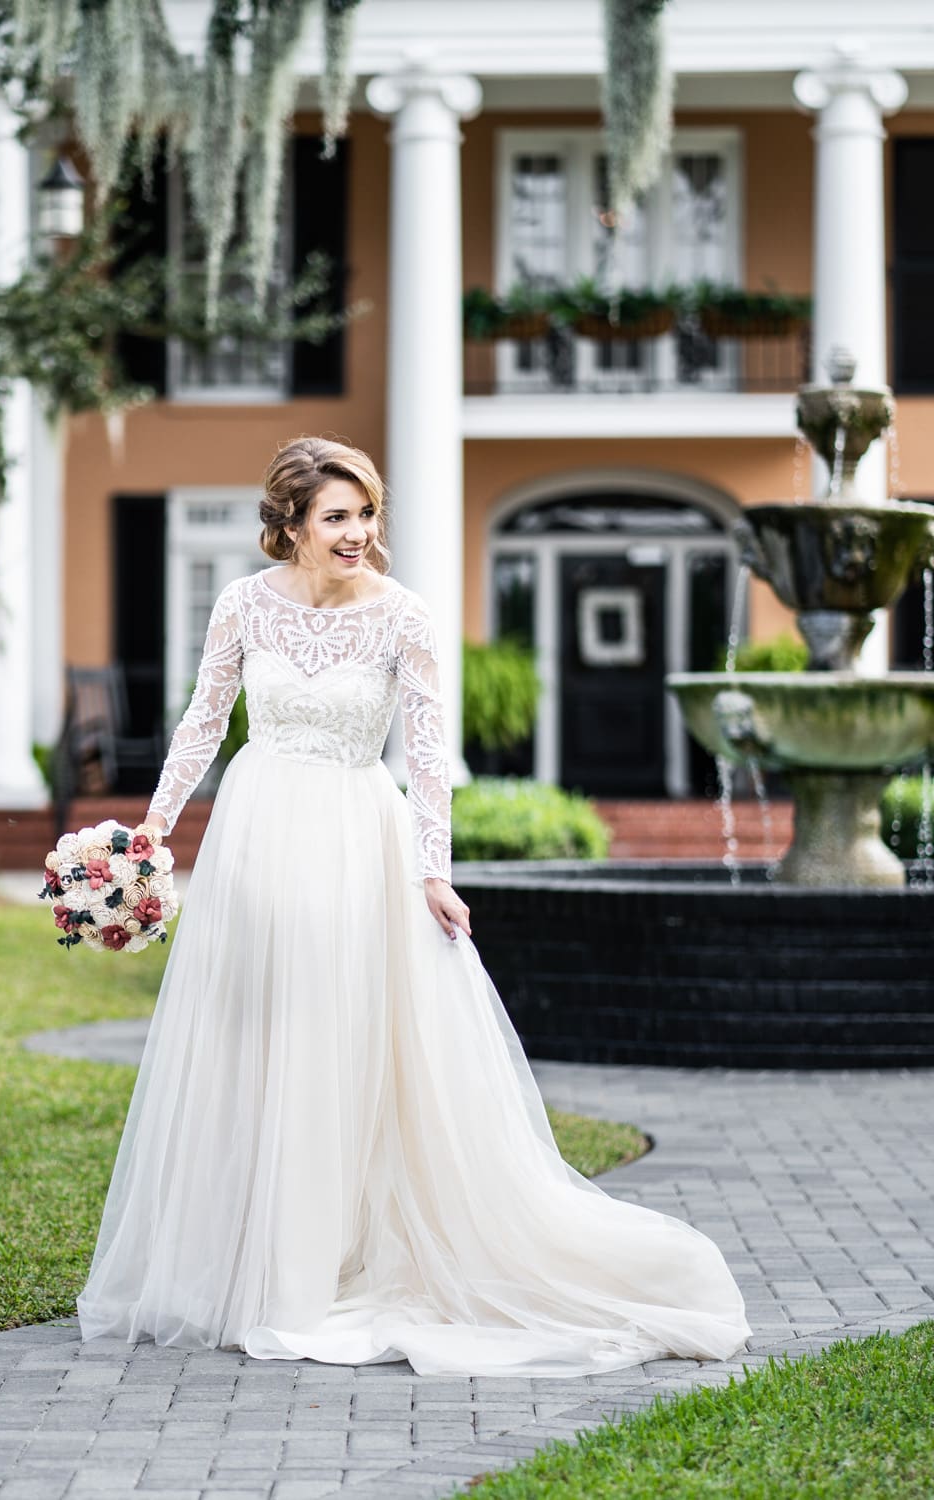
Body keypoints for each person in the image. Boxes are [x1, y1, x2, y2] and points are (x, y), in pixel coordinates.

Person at [76, 435, 751, 1377]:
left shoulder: (405, 618)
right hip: (254, 831)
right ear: (292, 524)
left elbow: (429, 758)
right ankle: (245, 1265)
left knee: (334, 1042)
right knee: (253, 1037)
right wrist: (148, 836)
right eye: (338, 517)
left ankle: (313, 1273)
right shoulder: (242, 605)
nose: (359, 533)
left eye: (367, 515)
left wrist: (435, 871)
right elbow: (201, 722)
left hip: (357, 837)